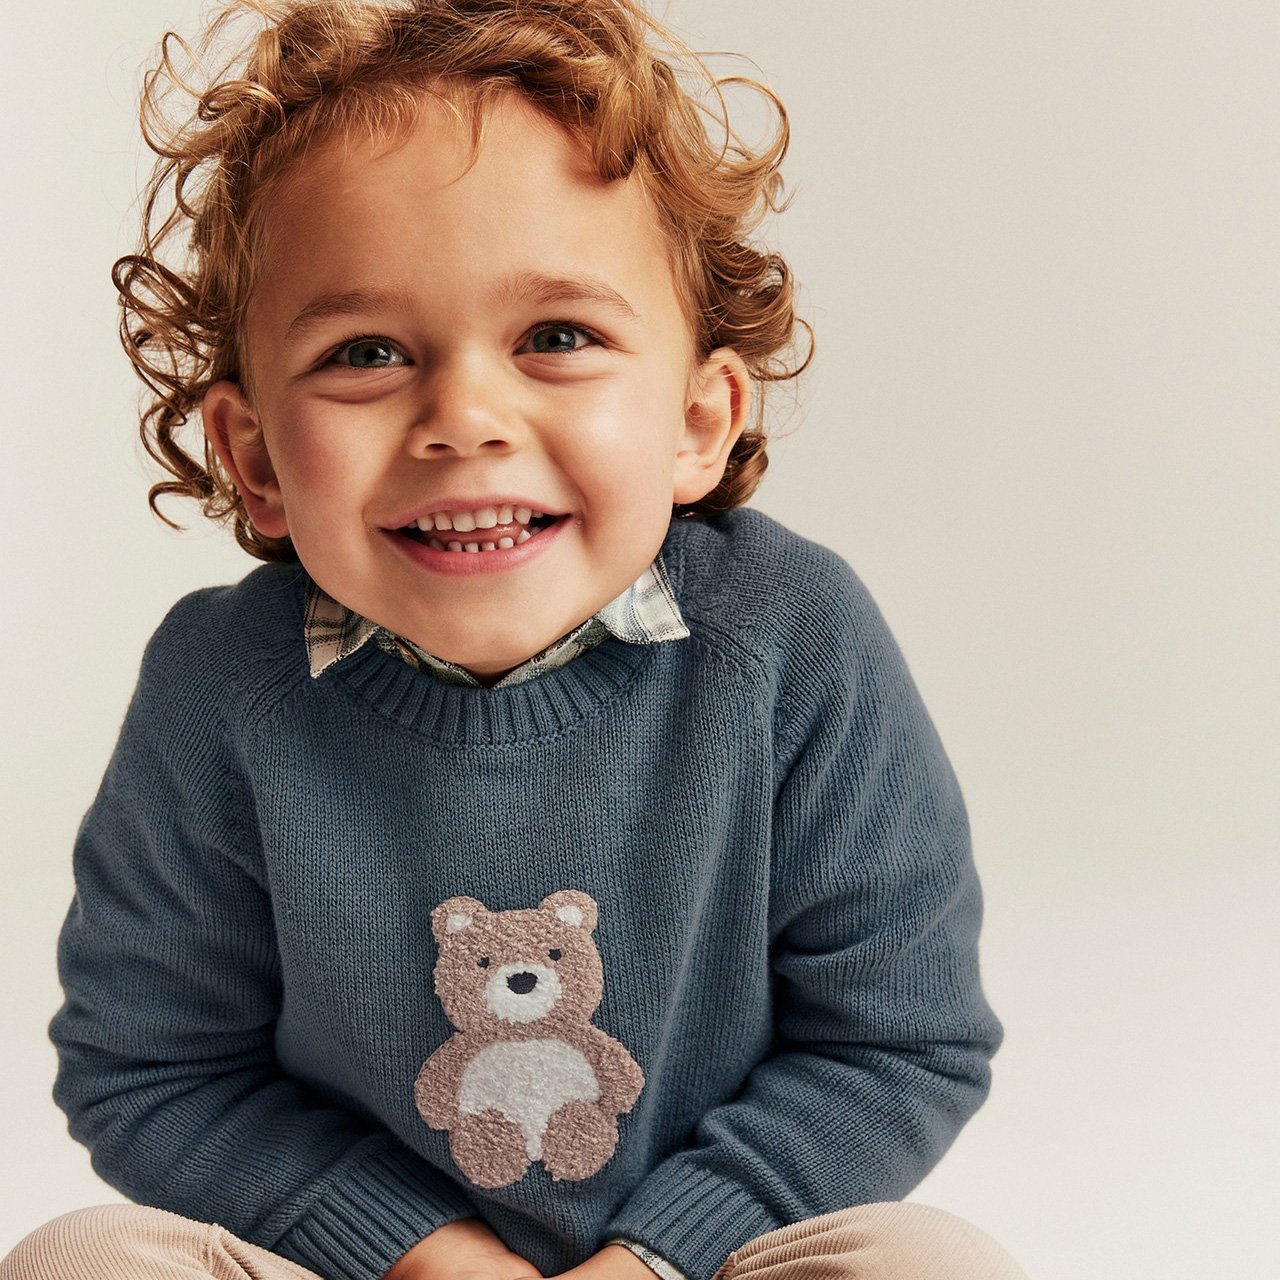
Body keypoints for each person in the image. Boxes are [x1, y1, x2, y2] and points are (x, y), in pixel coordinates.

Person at [1, 1, 1030, 1278]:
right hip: (366, 1268)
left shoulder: (789, 640)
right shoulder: (222, 687)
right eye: (366, 352)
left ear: (697, 420)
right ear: (254, 457)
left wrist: (657, 1254)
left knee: (932, 1261)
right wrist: (419, 1252)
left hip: (706, 1261)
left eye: (556, 337)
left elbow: (893, 1039)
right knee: (79, 1256)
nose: (465, 416)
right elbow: (155, 1068)